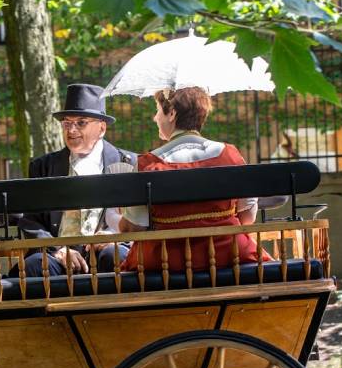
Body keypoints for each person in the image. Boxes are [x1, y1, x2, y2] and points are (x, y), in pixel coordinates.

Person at [118, 86, 268, 271]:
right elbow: (247, 217)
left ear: (171, 113)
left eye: (157, 110)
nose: (155, 118)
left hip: (165, 265)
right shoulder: (231, 155)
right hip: (230, 258)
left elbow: (133, 229)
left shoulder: (146, 165)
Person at [16, 83, 136, 276]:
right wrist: (57, 248)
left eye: (81, 122)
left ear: (102, 128)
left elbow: (141, 219)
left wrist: (117, 236)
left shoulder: (129, 163)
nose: (71, 130)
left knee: (116, 256)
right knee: (34, 266)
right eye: (66, 123)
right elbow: (31, 221)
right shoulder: (42, 167)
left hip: (106, 251)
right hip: (59, 255)